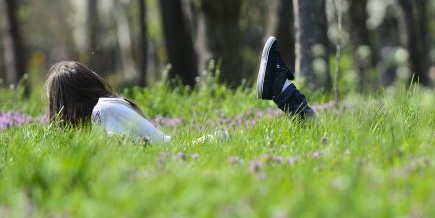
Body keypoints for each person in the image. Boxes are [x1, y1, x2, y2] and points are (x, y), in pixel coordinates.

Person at [44, 36, 315, 143]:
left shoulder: (102, 111)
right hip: (191, 152)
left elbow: (127, 149)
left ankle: (280, 87)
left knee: (297, 137)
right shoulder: (100, 118)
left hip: (192, 153)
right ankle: (283, 90)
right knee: (296, 138)